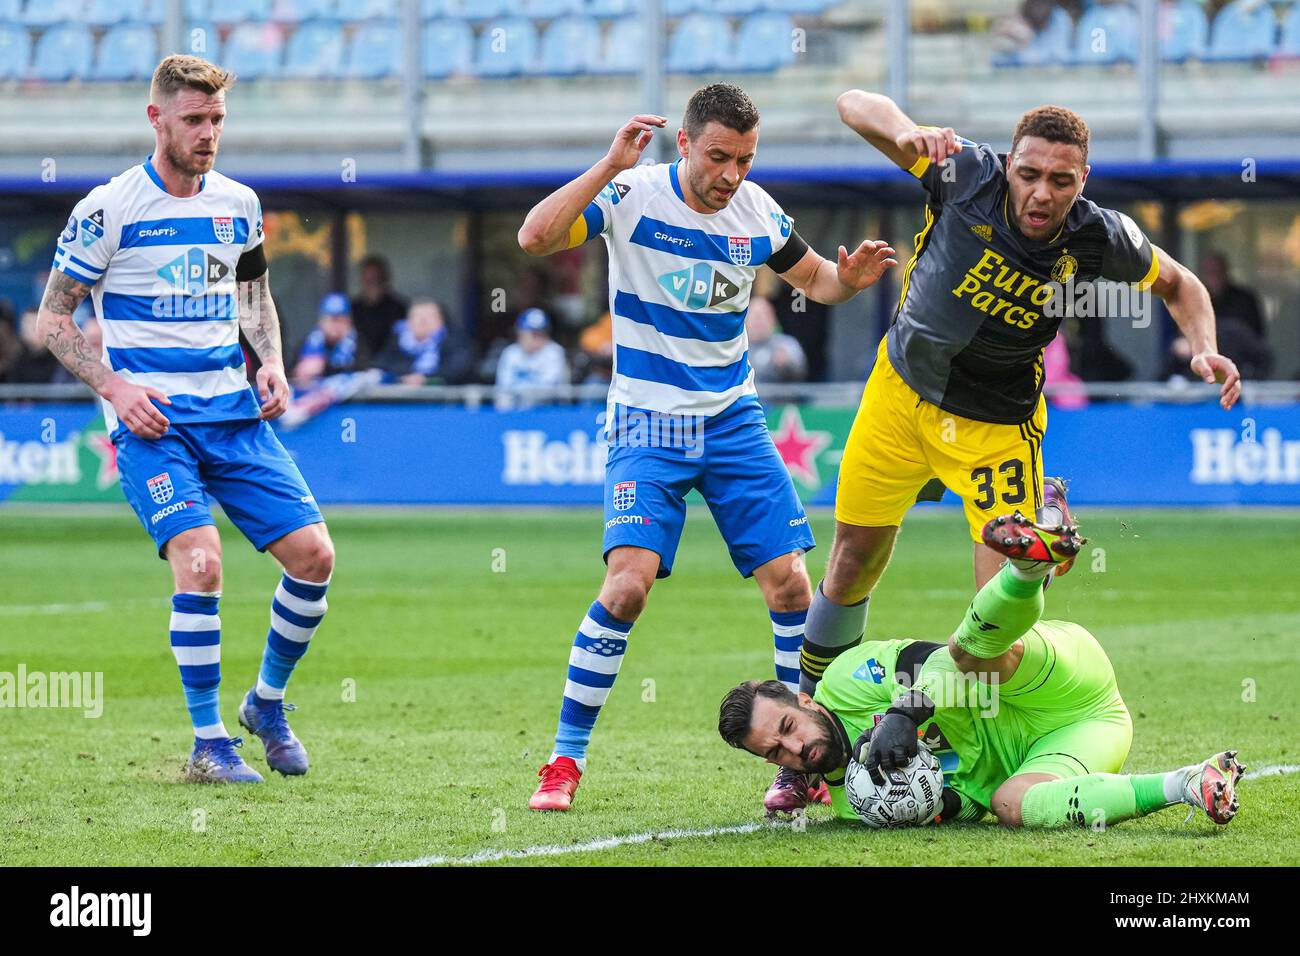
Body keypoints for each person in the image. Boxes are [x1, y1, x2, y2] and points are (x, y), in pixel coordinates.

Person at [516, 83, 897, 813]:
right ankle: (564, 761)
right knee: (627, 586)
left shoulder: (757, 212)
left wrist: (845, 281)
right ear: (685, 143)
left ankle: (800, 762)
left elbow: (815, 279)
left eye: (746, 159)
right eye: (719, 157)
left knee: (791, 584)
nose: (732, 175)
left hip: (731, 422)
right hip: (647, 424)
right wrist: (605, 164)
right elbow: (535, 238)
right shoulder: (630, 193)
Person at [798, 91, 1241, 711]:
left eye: (1061, 181)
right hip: (900, 395)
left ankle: (943, 717)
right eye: (1028, 174)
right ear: (1009, 163)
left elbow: (1181, 283)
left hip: (995, 428)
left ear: (1082, 180)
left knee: (994, 641)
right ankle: (812, 720)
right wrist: (911, 130)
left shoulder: (1101, 234)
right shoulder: (964, 173)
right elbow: (850, 103)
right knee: (851, 563)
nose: (1041, 193)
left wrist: (1204, 347)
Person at [35, 55, 335, 784]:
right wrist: (115, 387)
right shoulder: (110, 209)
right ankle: (208, 744)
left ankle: (265, 704)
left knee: (315, 559)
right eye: (194, 120)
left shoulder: (238, 203)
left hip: (234, 416)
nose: (208, 134)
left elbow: (254, 297)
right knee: (201, 564)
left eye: (217, 121)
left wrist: (270, 360)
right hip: (154, 427)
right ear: (157, 119)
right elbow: (52, 319)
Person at [719, 483, 1245, 830]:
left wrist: (904, 714)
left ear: (805, 701)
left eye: (787, 726)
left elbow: (933, 660)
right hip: (1082, 734)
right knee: (1013, 807)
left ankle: (1030, 566)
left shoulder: (845, 680)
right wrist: (938, 806)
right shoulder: (853, 802)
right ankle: (1191, 783)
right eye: (776, 752)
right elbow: (975, 796)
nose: (794, 750)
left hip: (1051, 678)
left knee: (971, 657)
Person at [373, 298, 471, 385]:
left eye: (429, 316)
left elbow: (460, 370)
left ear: (441, 320)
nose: (423, 321)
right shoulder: (397, 341)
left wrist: (426, 379)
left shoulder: (455, 340)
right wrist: (407, 376)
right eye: (417, 316)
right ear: (408, 321)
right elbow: (381, 365)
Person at [494, 307, 569, 402]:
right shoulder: (510, 353)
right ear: (519, 333)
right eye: (531, 334)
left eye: (540, 334)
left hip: (546, 410)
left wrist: (520, 389)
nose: (535, 339)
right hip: (515, 409)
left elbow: (547, 389)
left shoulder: (554, 352)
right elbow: (503, 386)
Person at [293, 292, 362, 389]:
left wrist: (323, 366)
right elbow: (291, 371)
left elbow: (364, 374)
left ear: (348, 322)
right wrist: (300, 371)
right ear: (321, 321)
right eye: (332, 319)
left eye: (340, 320)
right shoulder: (309, 342)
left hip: (346, 401)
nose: (335, 326)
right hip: (310, 397)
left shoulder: (359, 344)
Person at [351, 254, 408, 356]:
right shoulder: (353, 308)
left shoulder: (399, 308)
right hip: (358, 366)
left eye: (376, 279)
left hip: (391, 366)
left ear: (385, 280)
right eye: (368, 280)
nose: (372, 284)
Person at [746, 295, 807, 384]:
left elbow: (802, 371)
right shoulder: (736, 347)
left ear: (773, 319)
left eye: (763, 315)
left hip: (779, 396)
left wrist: (786, 364)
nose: (758, 321)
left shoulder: (786, 344)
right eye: (754, 316)